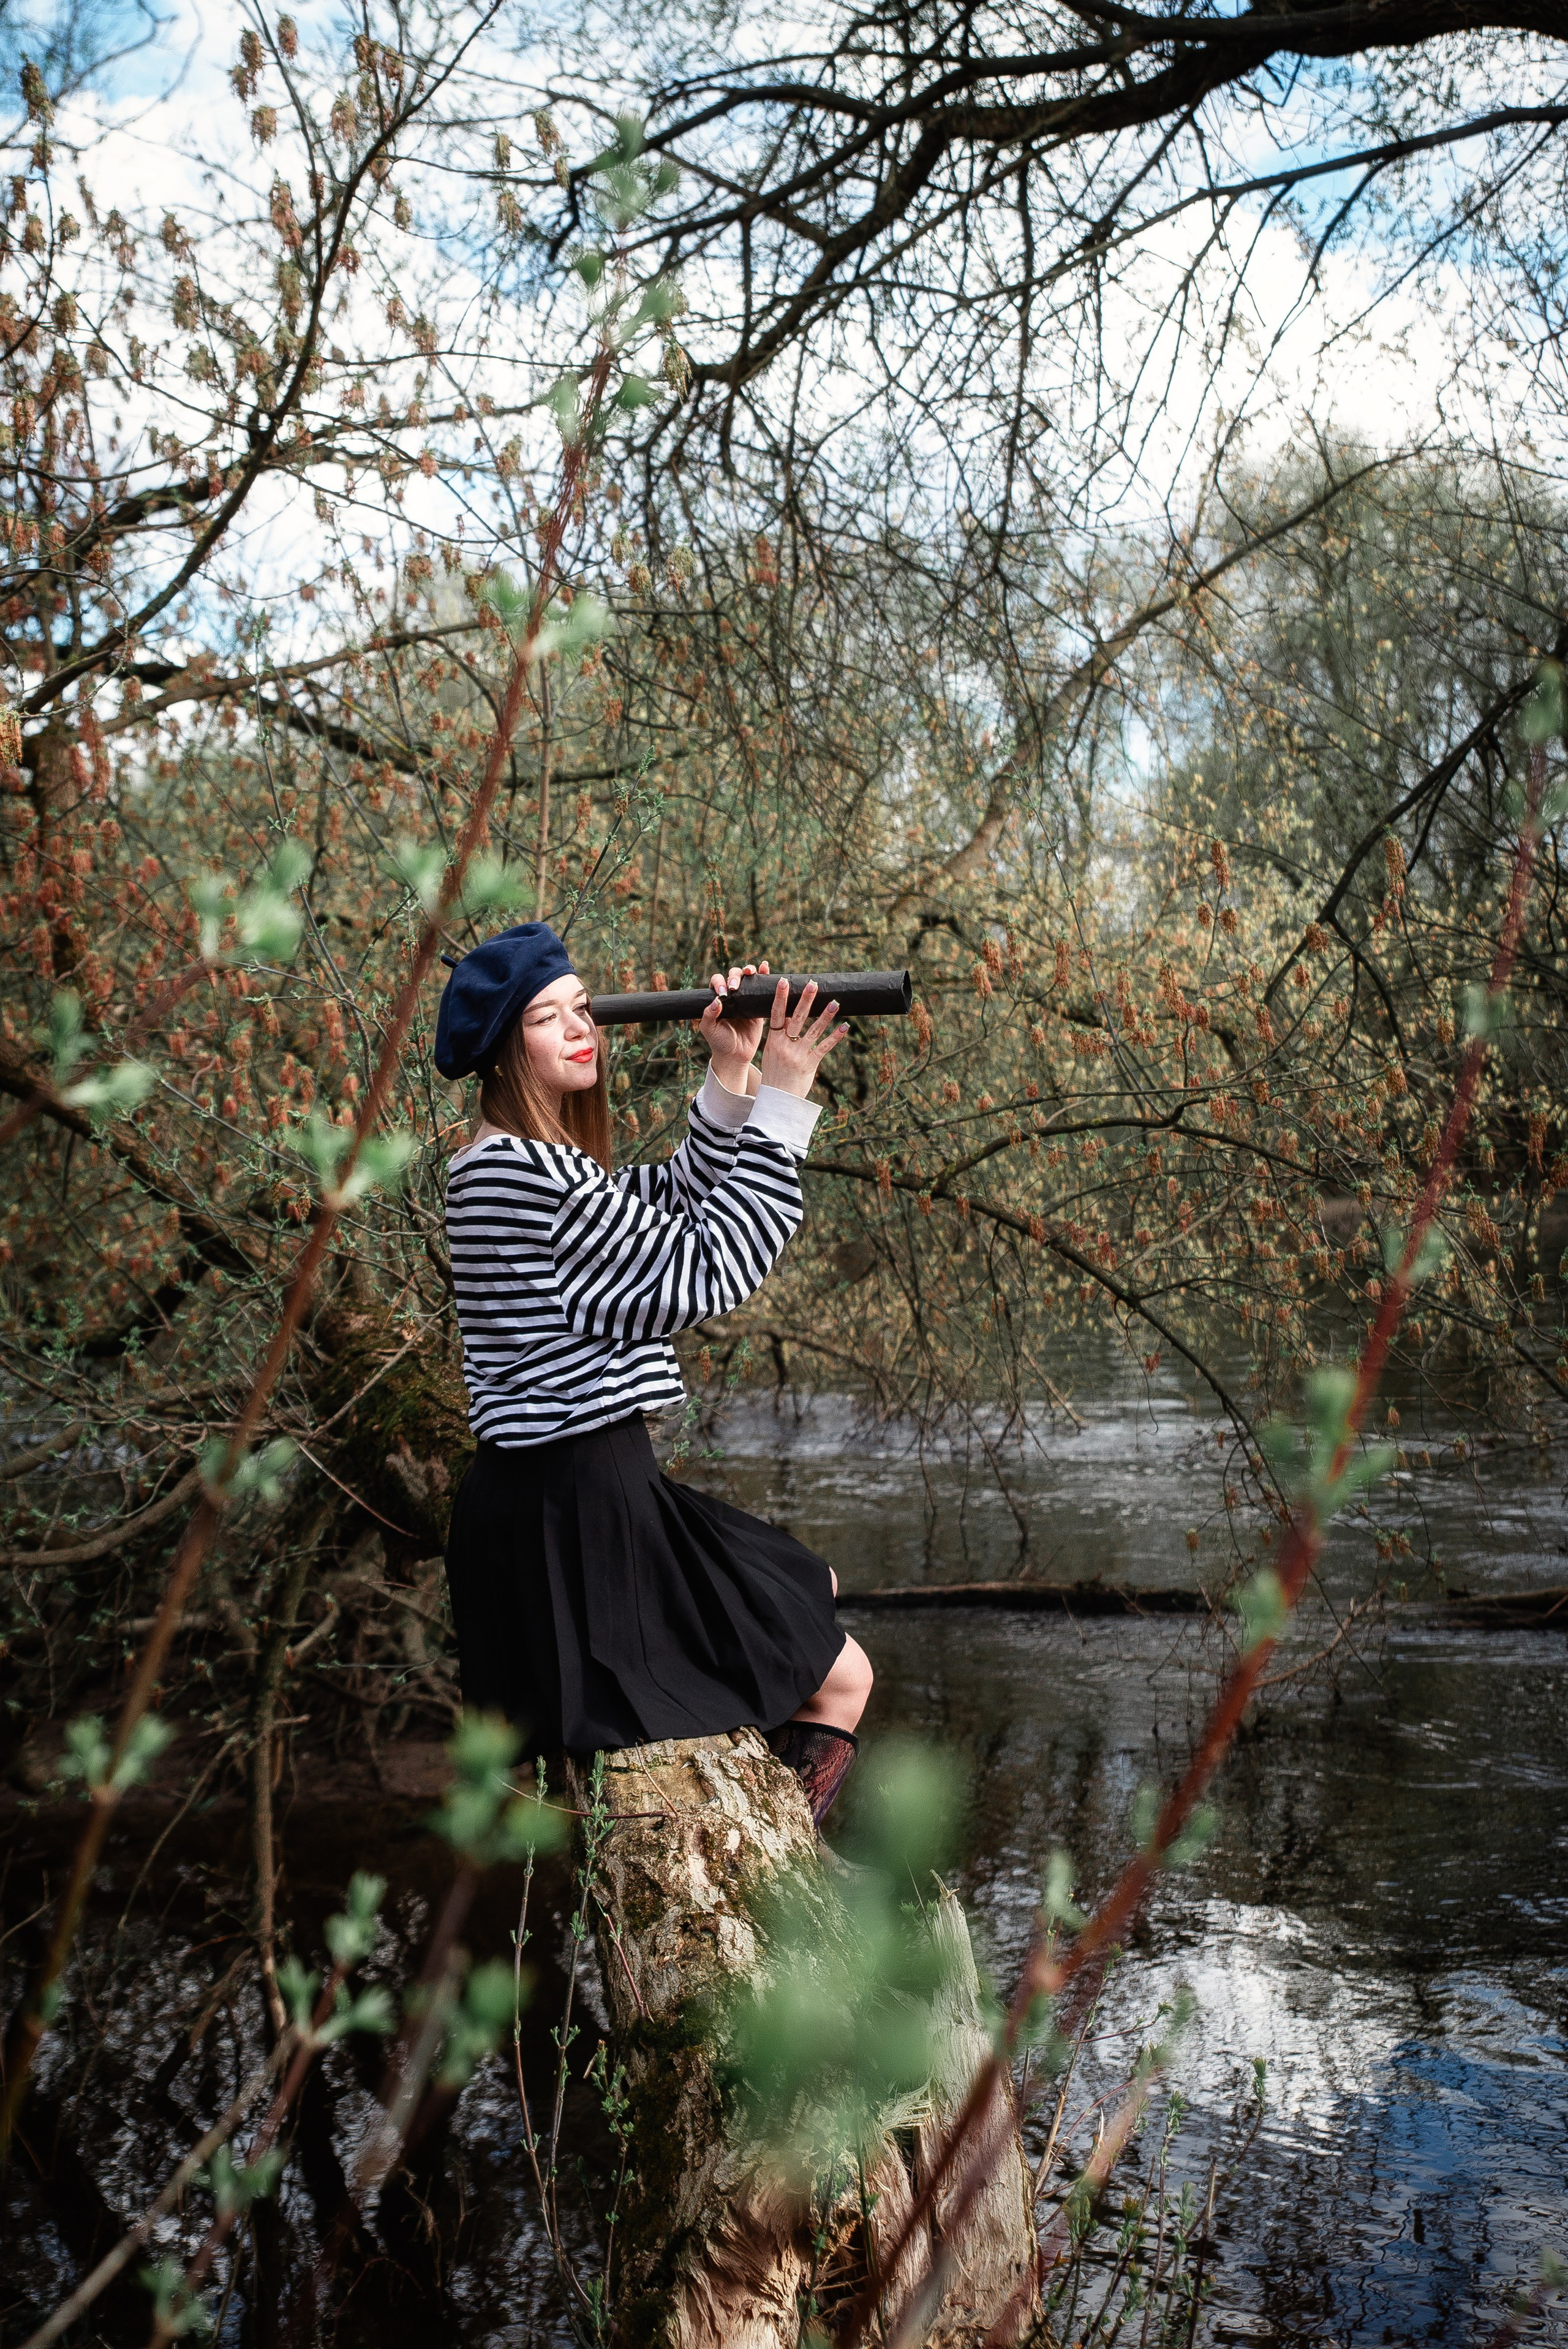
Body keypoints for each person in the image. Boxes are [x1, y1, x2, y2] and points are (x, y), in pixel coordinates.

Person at [435, 921, 875, 1827]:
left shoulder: (506, 1167)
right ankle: (784, 1885)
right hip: (579, 1510)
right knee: (843, 1677)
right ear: (502, 1050)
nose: (578, 1028)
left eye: (583, 1009)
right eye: (546, 1018)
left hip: (567, 1493)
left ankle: (775, 1857)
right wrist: (788, 1098)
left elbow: (669, 1202)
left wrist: (732, 1071)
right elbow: (707, 1265)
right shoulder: (527, 1180)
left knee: (809, 1585)